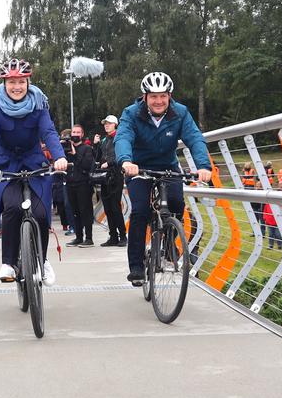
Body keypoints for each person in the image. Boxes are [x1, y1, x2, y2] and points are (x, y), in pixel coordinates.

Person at [115, 71, 213, 286]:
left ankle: (169, 240)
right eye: (153, 96)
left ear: (169, 96)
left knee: (177, 203)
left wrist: (203, 166)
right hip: (138, 168)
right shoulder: (131, 113)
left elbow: (195, 138)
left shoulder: (180, 113)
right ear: (145, 97)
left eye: (163, 96)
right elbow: (123, 137)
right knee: (140, 211)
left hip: (168, 166)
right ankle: (137, 267)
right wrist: (125, 161)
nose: (158, 101)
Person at [0, 58, 68, 284]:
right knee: (12, 208)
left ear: (28, 81)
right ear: (4, 83)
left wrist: (59, 157)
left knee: (40, 214)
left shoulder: (39, 104)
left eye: (21, 81)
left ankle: (43, 261)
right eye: (11, 82)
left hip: (33, 161)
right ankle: (9, 263)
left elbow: (48, 132)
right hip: (5, 163)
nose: (16, 86)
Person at [95, 115, 127, 247]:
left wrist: (108, 163)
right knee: (107, 208)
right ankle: (113, 236)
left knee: (115, 207)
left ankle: (123, 236)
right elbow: (97, 157)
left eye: (109, 123)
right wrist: (96, 145)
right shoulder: (103, 140)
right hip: (105, 177)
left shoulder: (118, 138)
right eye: (105, 123)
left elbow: (120, 156)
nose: (106, 125)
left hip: (116, 176)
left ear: (115, 124)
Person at [65, 124, 95, 247]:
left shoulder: (87, 148)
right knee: (75, 212)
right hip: (70, 183)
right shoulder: (66, 149)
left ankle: (89, 238)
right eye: (73, 132)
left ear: (82, 134)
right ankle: (78, 237)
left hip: (83, 184)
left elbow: (87, 166)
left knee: (85, 211)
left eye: (78, 132)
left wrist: (75, 154)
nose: (75, 134)